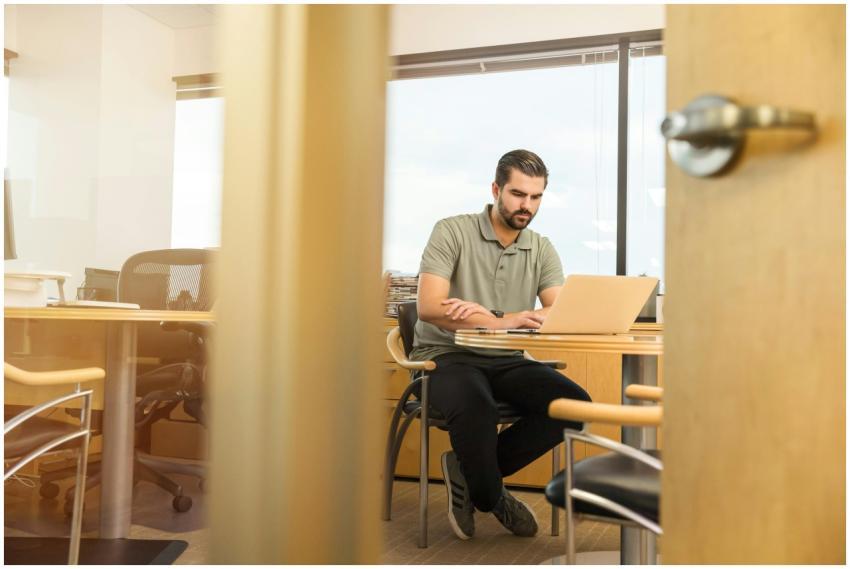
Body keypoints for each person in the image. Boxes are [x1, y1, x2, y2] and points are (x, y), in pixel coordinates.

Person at [409, 149, 591, 540]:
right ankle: (492, 496)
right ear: (496, 189)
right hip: (445, 355)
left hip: (507, 358)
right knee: (476, 404)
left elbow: (555, 314)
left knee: (573, 407)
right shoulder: (452, 230)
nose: (527, 206)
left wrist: (494, 319)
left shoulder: (541, 248)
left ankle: (469, 470)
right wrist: (501, 319)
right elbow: (428, 307)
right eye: (518, 194)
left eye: (536, 197)